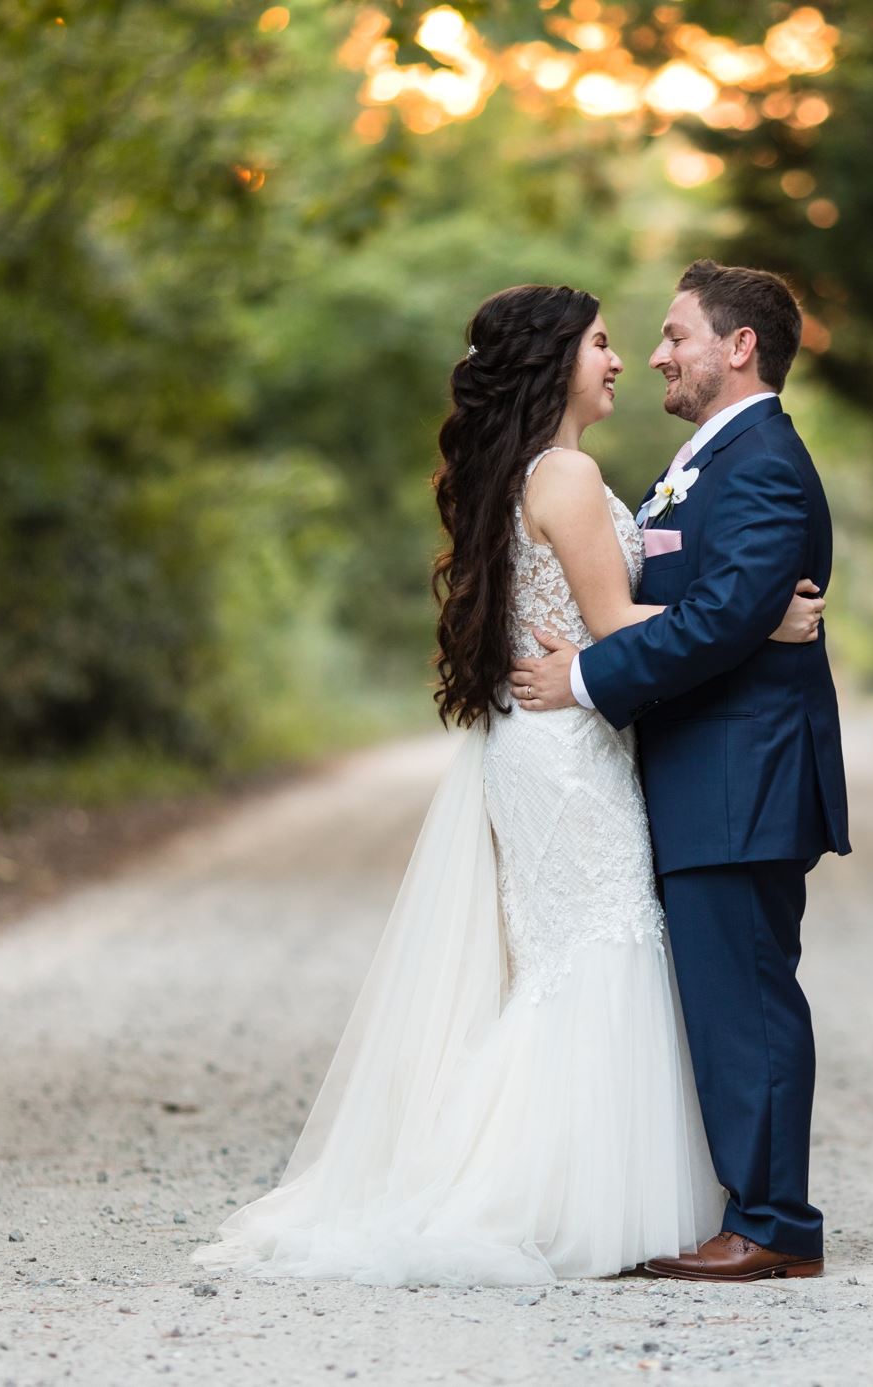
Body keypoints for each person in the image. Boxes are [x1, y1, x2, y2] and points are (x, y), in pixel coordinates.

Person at [187, 282, 828, 1286]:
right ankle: (560, 1195)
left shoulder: (561, 472)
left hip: (564, 741)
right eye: (607, 344)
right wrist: (759, 621)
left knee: (582, 959)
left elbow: (642, 609)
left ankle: (621, 1196)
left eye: (654, 338)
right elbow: (625, 626)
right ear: (554, 363)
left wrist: (728, 621)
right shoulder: (568, 476)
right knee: (594, 956)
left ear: (738, 345)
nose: (629, 359)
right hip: (565, 742)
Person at [510, 259, 851, 1282]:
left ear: (737, 345)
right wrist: (751, 625)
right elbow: (716, 608)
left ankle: (774, 1223)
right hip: (704, 771)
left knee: (744, 998)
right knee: (722, 997)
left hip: (741, 775)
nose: (656, 353)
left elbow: (719, 616)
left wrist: (585, 678)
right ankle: (749, 1209)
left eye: (675, 333)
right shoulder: (709, 460)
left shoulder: (762, 463)